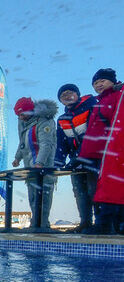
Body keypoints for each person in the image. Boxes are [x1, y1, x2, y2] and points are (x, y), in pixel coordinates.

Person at [82, 68, 124, 234]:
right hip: (97, 153)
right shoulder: (100, 101)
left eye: (102, 81)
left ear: (113, 81)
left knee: (110, 187)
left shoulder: (117, 97)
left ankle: (107, 224)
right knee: (99, 190)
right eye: (95, 83)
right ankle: (107, 223)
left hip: (111, 151)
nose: (98, 85)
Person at [55, 83, 99, 232]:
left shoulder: (91, 107)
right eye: (63, 95)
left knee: (94, 190)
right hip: (76, 161)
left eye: (69, 93)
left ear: (77, 94)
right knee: (80, 192)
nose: (67, 96)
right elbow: (60, 142)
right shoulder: (62, 119)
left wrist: (79, 157)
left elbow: (92, 134)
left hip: (94, 158)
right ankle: (85, 222)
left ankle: (100, 223)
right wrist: (58, 163)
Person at [12, 97, 59, 229]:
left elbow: (46, 144)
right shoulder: (24, 124)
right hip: (30, 168)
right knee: (33, 196)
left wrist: (40, 163)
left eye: (22, 114)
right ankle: (35, 222)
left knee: (43, 196)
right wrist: (17, 158)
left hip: (44, 167)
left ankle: (43, 223)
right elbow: (22, 144)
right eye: (18, 115)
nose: (21, 117)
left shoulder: (45, 122)